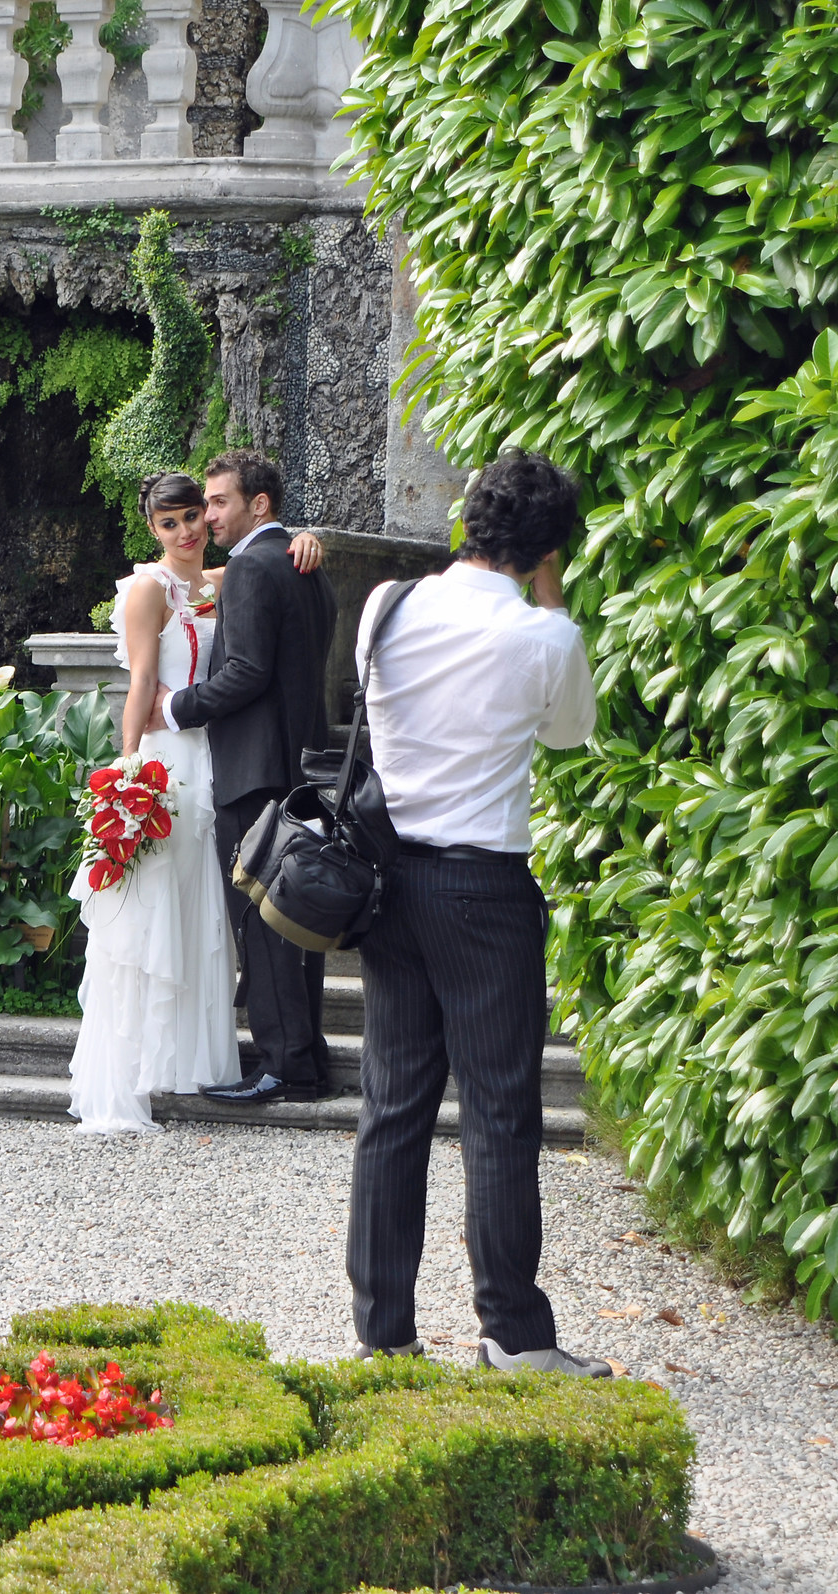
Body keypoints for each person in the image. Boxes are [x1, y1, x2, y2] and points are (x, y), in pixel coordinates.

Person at [345, 449, 607, 1375]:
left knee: (392, 1107)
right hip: (483, 891)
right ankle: (514, 1334)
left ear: (469, 520)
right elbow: (571, 732)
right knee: (498, 1113)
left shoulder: (387, 605)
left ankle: (384, 1333)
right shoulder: (544, 636)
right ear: (547, 550)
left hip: (388, 883)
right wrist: (553, 597)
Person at [69, 473, 325, 1133]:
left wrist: (305, 539)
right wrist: (129, 769)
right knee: (158, 911)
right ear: (151, 529)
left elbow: (268, 563)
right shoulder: (147, 589)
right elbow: (141, 684)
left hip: (220, 760)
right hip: (170, 760)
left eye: (194, 515)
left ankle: (199, 1058)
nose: (187, 530)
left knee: (212, 915)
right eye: (171, 522)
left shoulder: (223, 577)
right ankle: (145, 1060)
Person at [151, 450, 340, 1106]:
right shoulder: (301, 563)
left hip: (254, 773)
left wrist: (174, 708)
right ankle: (306, 1059)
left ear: (258, 504)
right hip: (297, 769)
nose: (207, 515)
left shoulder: (257, 566)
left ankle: (284, 1067)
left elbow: (247, 673)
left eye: (219, 501)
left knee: (263, 923)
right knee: (296, 920)